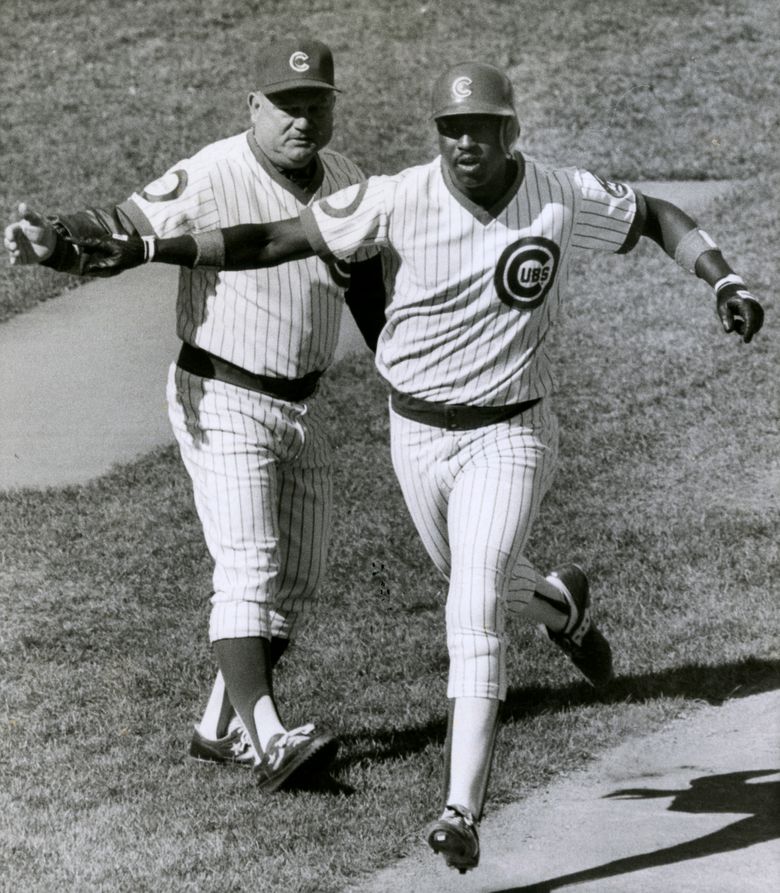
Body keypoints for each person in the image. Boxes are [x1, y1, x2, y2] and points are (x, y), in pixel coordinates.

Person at [43, 62, 764, 871]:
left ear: (509, 131)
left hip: (511, 433)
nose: (463, 143)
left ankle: (460, 810)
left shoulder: (560, 193)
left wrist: (723, 277)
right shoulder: (398, 196)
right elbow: (275, 238)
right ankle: (560, 605)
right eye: (450, 128)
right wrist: (146, 247)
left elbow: (659, 214)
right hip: (416, 436)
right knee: (474, 576)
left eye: (480, 127)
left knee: (471, 609)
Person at [4, 38, 387, 792]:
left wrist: (400, 364)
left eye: (315, 105)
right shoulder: (214, 172)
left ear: (334, 107)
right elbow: (119, 225)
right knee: (248, 564)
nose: (301, 121)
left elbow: (368, 284)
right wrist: (56, 245)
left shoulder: (348, 181)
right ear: (254, 106)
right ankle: (270, 737)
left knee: (299, 581)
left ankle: (219, 725)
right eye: (286, 106)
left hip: (301, 401)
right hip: (221, 394)